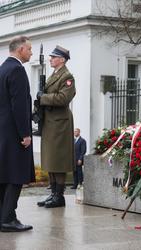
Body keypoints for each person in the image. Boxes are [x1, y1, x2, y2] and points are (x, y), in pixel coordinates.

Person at [0, 36, 35, 232]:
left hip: (2, 132)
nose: (31, 52)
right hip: (14, 133)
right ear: (20, 49)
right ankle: (8, 219)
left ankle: (3, 216)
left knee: (4, 175)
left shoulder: (2, 68)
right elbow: (19, 105)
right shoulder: (17, 70)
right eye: (29, 49)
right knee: (15, 176)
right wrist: (25, 133)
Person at [36, 45, 76, 208]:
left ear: (62, 59)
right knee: (51, 159)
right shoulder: (55, 74)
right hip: (50, 121)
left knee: (58, 160)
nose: (50, 59)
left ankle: (59, 196)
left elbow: (63, 98)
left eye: (53, 57)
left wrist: (43, 97)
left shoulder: (67, 77)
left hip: (60, 123)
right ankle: (53, 194)